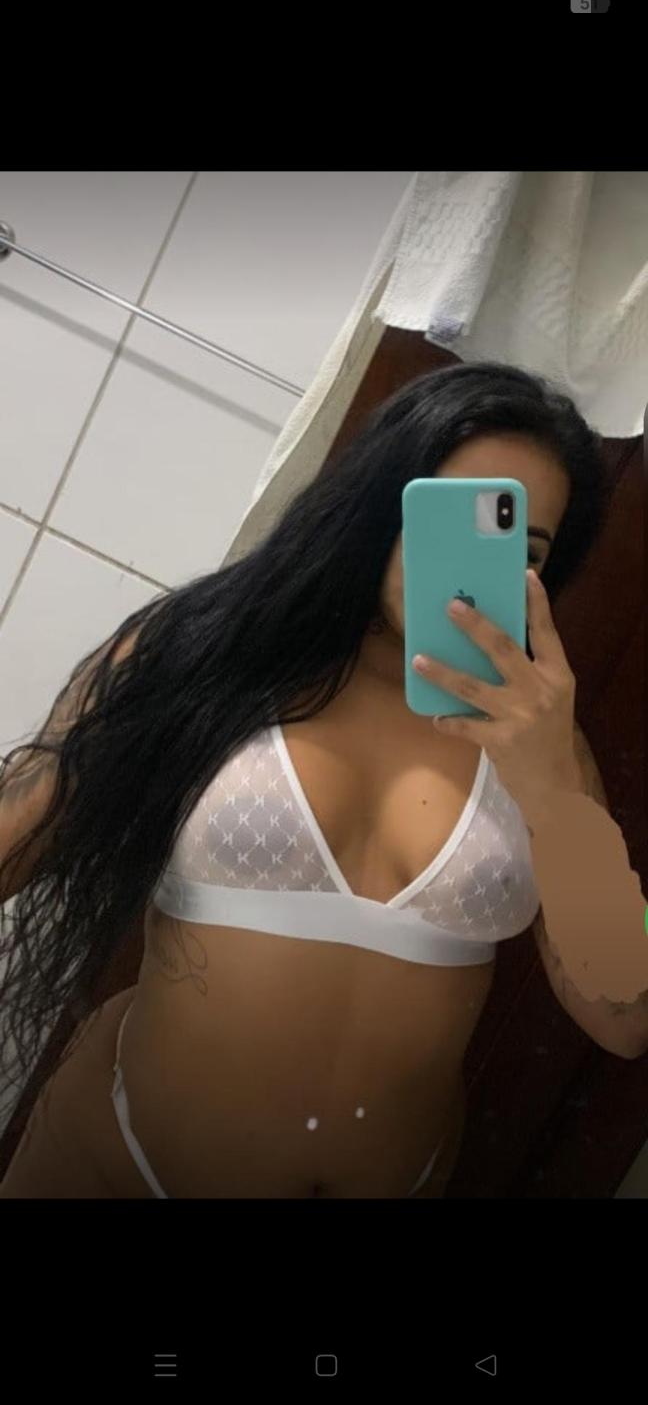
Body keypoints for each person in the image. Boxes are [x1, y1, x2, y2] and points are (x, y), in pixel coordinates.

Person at [0, 362, 615, 1198]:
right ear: (376, 500)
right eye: (441, 516)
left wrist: (558, 800)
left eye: (518, 547)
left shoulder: (544, 740)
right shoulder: (211, 650)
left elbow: (624, 1015)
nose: (468, 567)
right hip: (111, 1165)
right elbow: (22, 831)